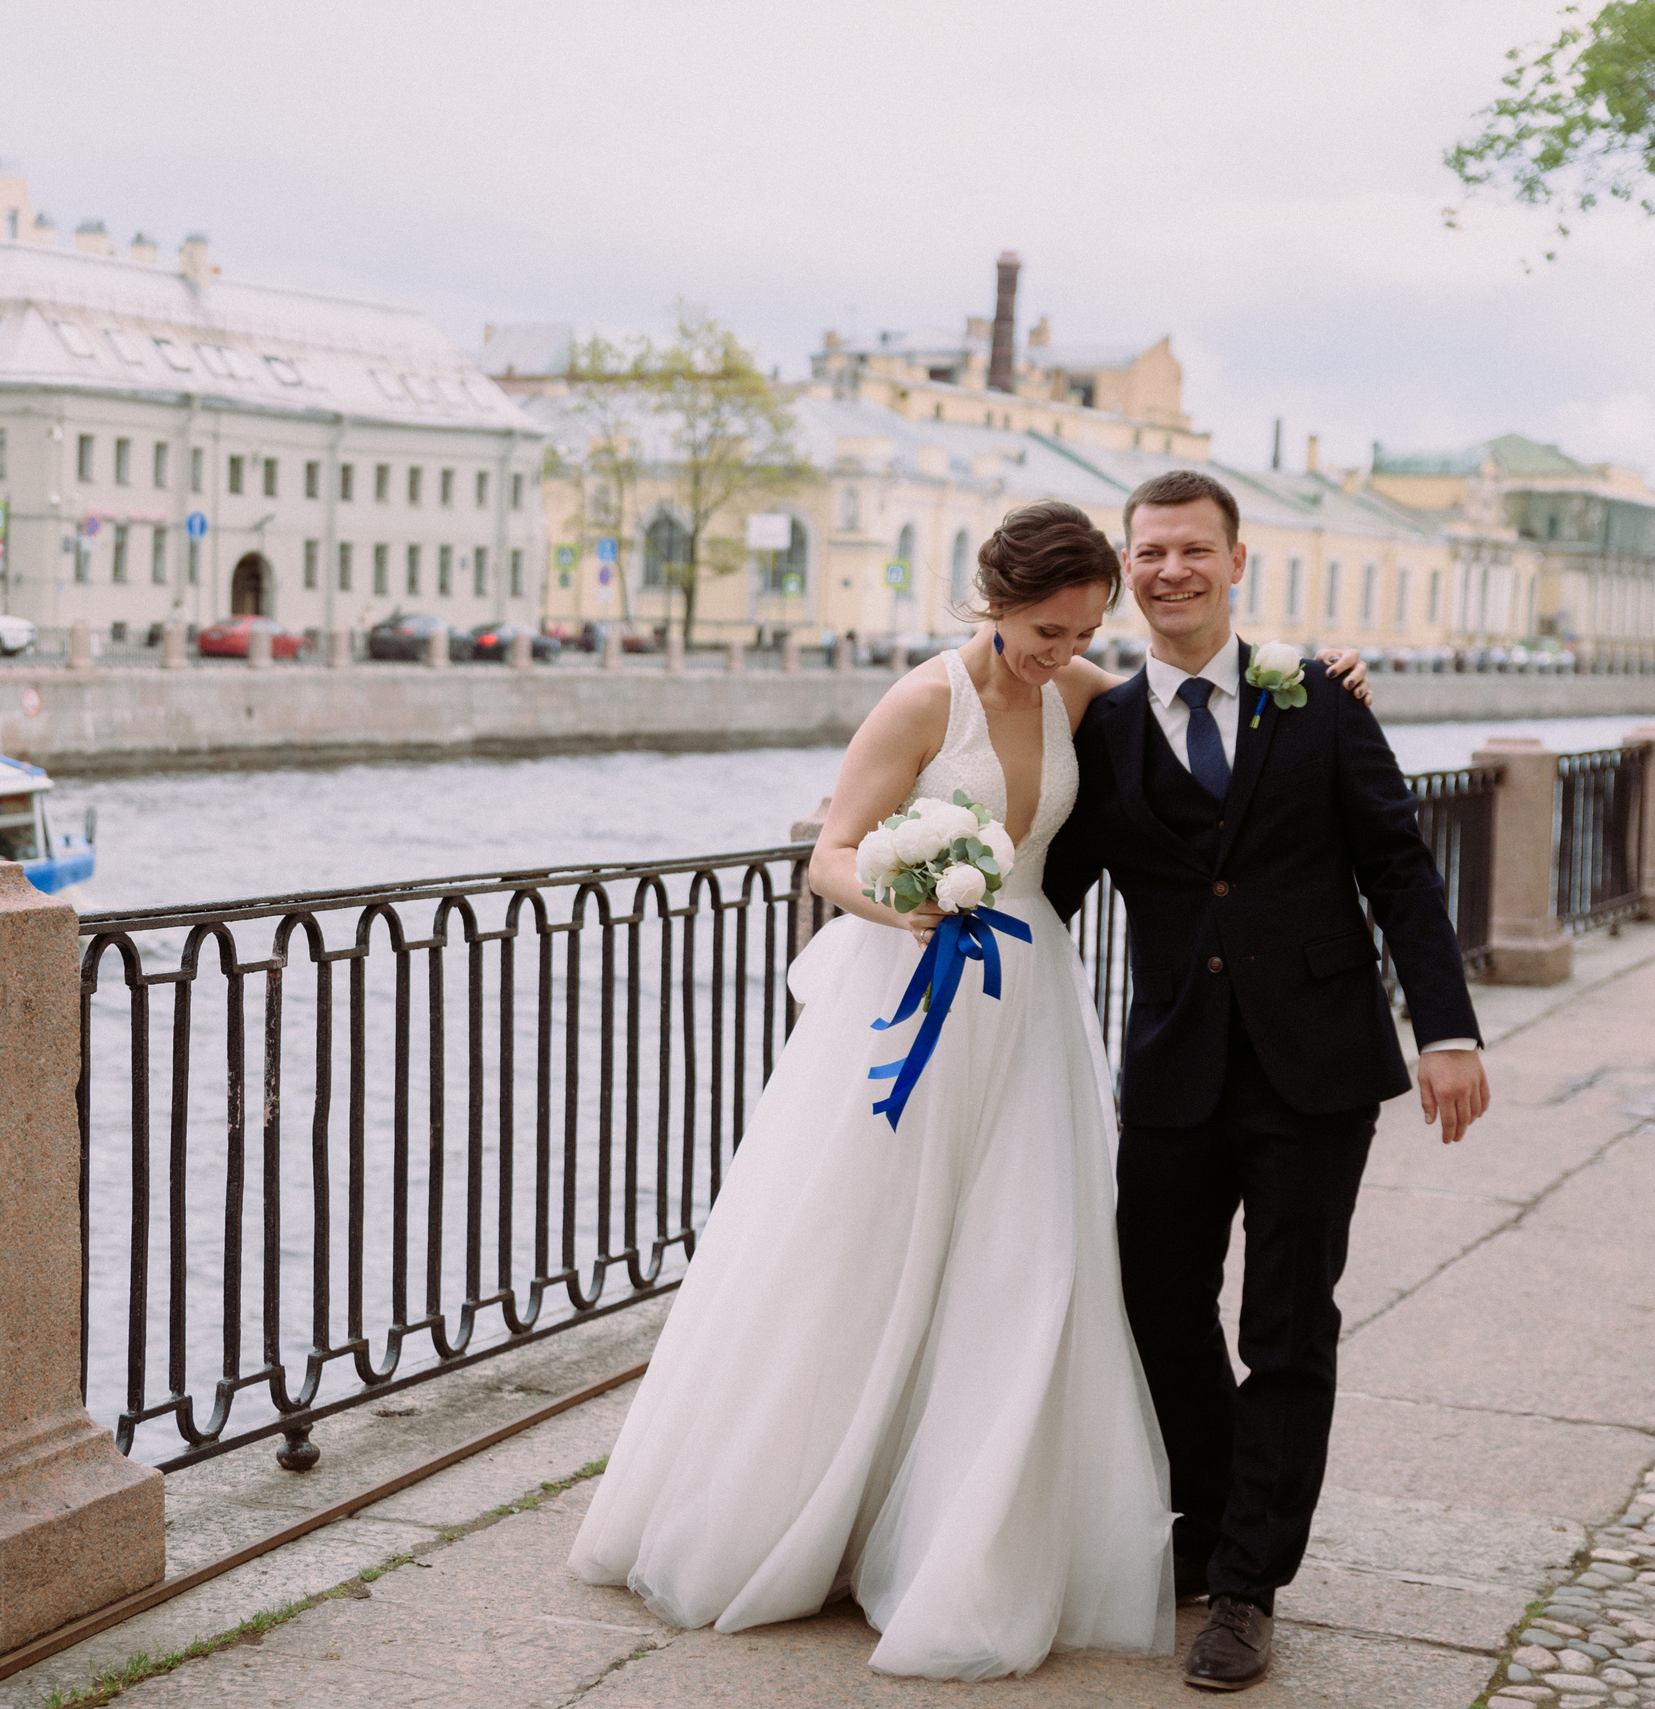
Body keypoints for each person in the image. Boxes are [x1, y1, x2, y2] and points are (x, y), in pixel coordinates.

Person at [568, 502, 1380, 1681]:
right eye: (1047, 629)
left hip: (1027, 1006)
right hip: (906, 992)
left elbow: (1201, 716)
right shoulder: (920, 699)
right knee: (861, 1251)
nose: (1064, 650)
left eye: (1083, 630)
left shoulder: (1089, 697)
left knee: (1025, 1263)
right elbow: (831, 851)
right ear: (993, 601)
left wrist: (1327, 676)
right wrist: (905, 898)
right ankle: (817, 1507)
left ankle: (972, 1531)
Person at [1042, 470, 1487, 1691]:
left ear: (1239, 563)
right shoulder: (1108, 729)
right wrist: (920, 897)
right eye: (1149, 552)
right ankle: (1221, 1514)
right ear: (1125, 569)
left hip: (1315, 1066)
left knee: (1286, 1326)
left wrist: (1446, 1028)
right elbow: (1045, 882)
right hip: (1175, 1064)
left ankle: (1243, 1584)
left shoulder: (1322, 702)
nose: (1169, 570)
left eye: (1193, 550)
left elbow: (1397, 867)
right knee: (1152, 1302)